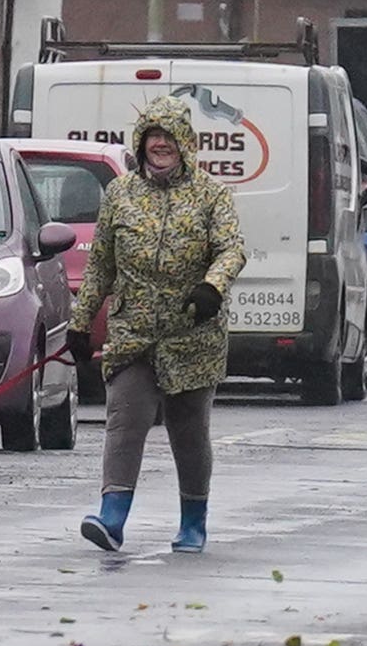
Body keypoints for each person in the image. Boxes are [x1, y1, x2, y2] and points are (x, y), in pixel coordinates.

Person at [77, 94, 244, 555]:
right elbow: (100, 267)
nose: (160, 145)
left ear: (185, 143)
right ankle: (111, 518)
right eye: (153, 137)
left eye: (168, 138)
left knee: (189, 433)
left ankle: (193, 522)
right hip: (133, 332)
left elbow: (232, 249)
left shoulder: (212, 195)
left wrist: (211, 286)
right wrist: (80, 320)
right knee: (124, 419)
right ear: (141, 143)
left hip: (192, 334)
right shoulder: (121, 194)